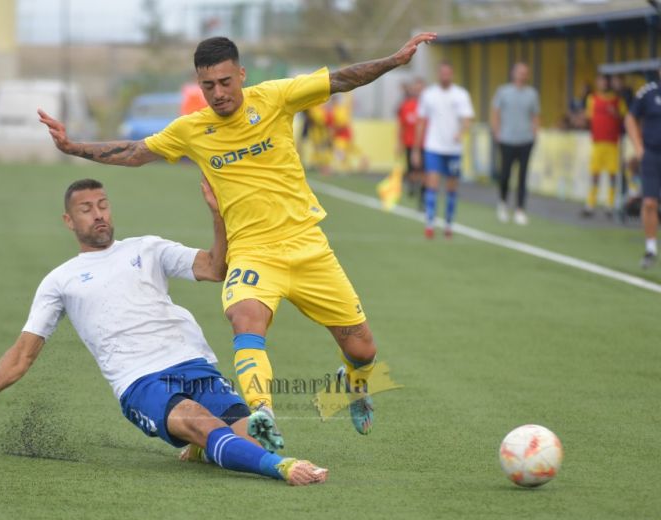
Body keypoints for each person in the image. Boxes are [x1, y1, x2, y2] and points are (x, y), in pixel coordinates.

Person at [38, 33, 437, 451]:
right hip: (251, 251)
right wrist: (73, 146)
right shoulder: (193, 129)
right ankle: (262, 411)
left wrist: (394, 59)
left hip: (306, 245)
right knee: (244, 318)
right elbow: (136, 151)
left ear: (241, 75)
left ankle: (354, 384)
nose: (218, 93)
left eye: (226, 82)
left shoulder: (276, 98)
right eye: (208, 86)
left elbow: (340, 79)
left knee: (361, 347)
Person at [0, 178, 328, 486]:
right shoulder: (60, 280)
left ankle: (210, 450)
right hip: (141, 380)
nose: (98, 214)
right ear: (69, 221)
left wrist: (218, 214)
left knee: (262, 436)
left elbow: (215, 268)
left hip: (192, 363)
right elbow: (25, 350)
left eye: (102, 204)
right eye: (86, 209)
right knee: (207, 426)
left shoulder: (147, 248)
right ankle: (283, 469)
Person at [412, 62, 475, 239]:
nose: (445, 76)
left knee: (451, 187)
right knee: (432, 183)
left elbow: (468, 119)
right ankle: (430, 223)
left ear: (452, 74)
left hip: (454, 149)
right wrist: (416, 150)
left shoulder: (461, 94)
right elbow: (421, 122)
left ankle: (448, 223)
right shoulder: (428, 94)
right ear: (438, 74)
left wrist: (461, 132)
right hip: (434, 147)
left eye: (448, 73)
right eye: (442, 73)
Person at [491, 62, 540, 225]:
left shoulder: (532, 94)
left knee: (523, 176)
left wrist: (534, 134)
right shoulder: (503, 92)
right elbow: (495, 112)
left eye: (525, 72)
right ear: (513, 73)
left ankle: (520, 209)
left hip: (525, 140)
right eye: (520, 72)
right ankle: (503, 203)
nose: (522, 75)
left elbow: (535, 115)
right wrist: (497, 132)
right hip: (507, 139)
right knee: (505, 174)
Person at [625, 69, 661, 269]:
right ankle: (650, 248)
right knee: (649, 203)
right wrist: (639, 147)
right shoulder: (648, 92)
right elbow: (630, 118)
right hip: (652, 155)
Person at [583, 74, 628, 218]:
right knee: (594, 174)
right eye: (599, 81)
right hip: (597, 142)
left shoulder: (617, 100)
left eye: (604, 81)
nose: (602, 84)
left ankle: (610, 205)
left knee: (612, 175)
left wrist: (616, 115)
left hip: (612, 143)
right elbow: (588, 118)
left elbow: (626, 117)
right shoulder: (592, 99)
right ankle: (590, 204)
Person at [398, 78, 425, 208]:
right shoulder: (406, 106)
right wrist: (399, 143)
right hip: (410, 143)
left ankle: (422, 198)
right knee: (412, 171)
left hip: (426, 145)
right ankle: (412, 185)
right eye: (417, 89)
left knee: (424, 172)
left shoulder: (429, 106)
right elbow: (401, 126)